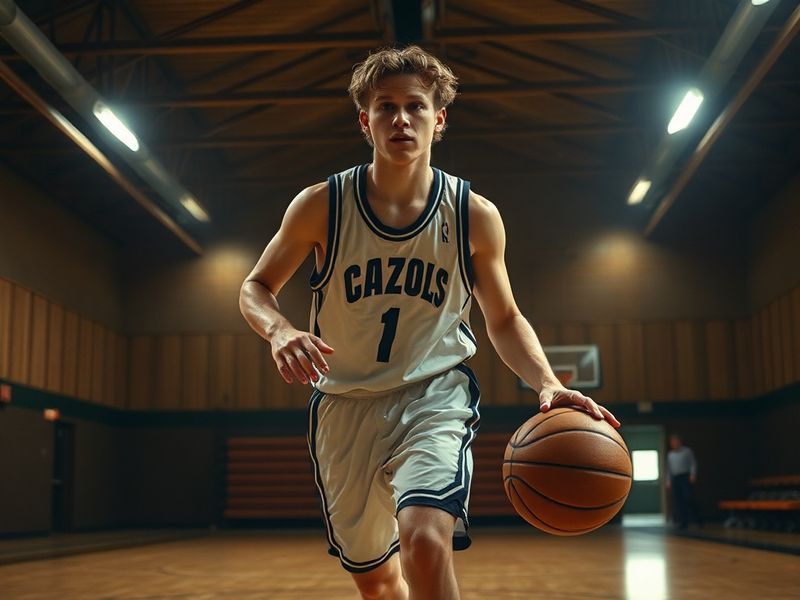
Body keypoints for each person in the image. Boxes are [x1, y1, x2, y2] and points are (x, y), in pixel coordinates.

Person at [240, 45, 620, 600]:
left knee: (423, 539)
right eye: (385, 106)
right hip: (344, 406)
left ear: (438, 119)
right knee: (375, 584)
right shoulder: (321, 205)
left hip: (433, 395)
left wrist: (548, 382)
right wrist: (279, 330)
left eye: (415, 106)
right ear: (363, 119)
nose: (400, 119)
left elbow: (505, 317)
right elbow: (255, 287)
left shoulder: (473, 215)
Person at [666, 433, 701, 529]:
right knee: (678, 501)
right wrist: (668, 480)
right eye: (672, 442)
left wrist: (693, 474)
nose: (674, 443)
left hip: (685, 477)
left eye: (675, 441)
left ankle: (697, 519)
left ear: (679, 441)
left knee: (688, 498)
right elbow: (669, 469)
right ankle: (682, 521)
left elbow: (693, 463)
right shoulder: (671, 455)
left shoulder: (687, 451)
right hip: (675, 478)